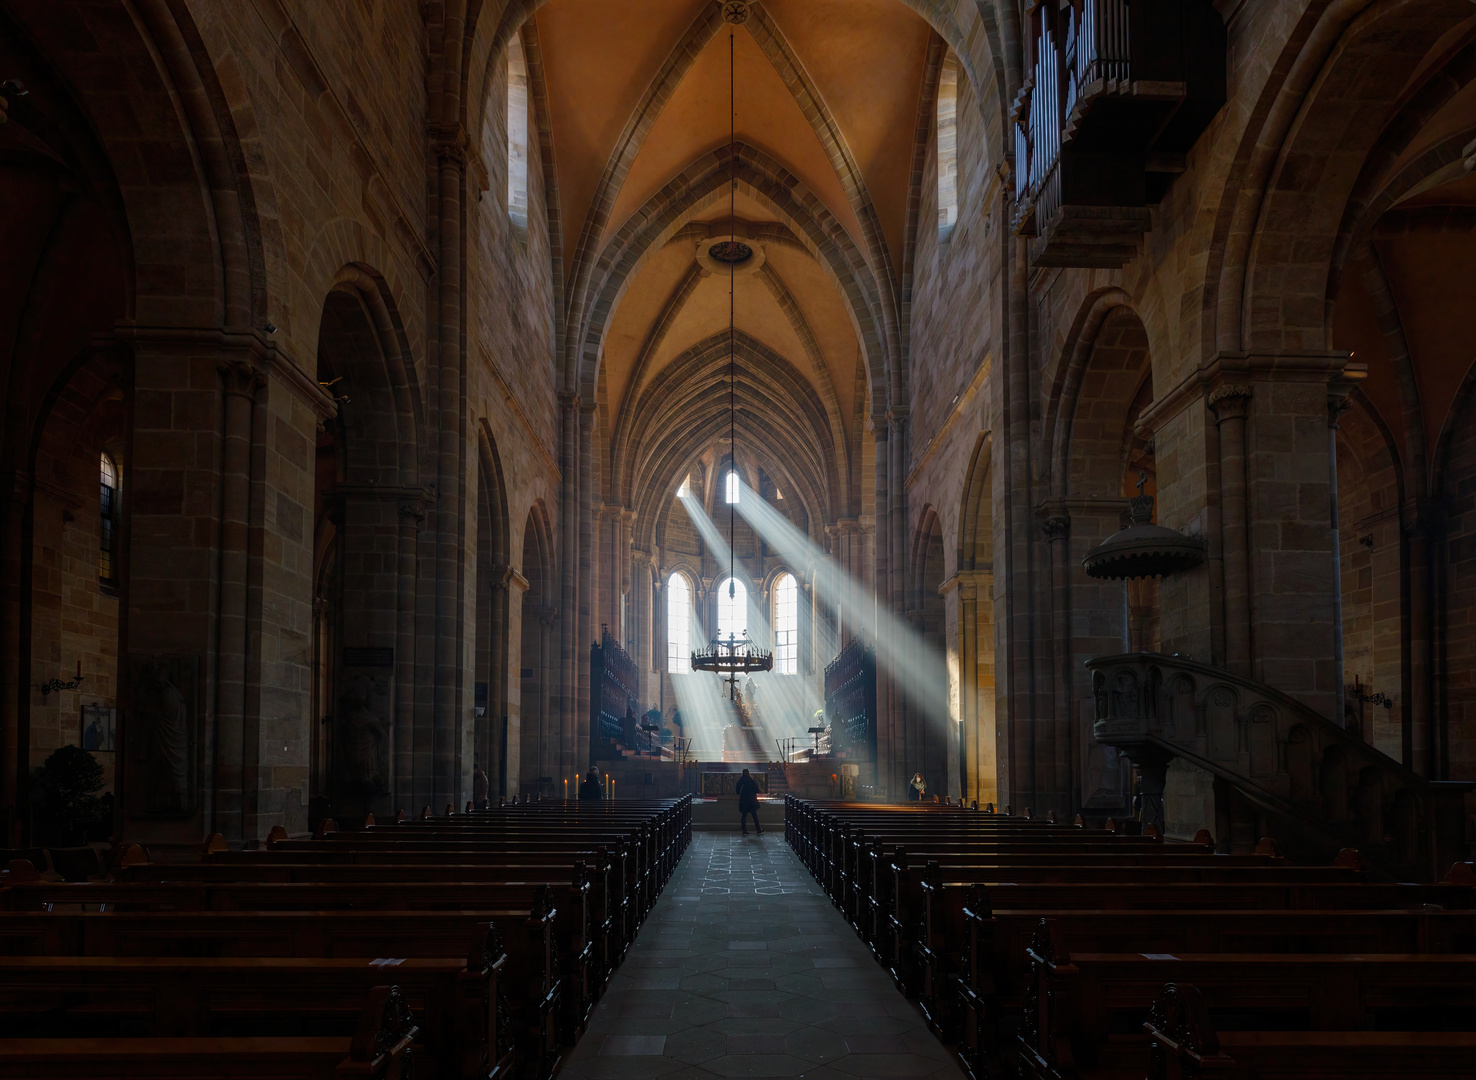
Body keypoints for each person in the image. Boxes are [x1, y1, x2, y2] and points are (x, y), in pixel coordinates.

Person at [735, 768, 762, 835]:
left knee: (743, 816)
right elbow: (757, 790)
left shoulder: (740, 781)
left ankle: (744, 831)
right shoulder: (751, 781)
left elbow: (737, 791)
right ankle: (758, 830)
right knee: (755, 816)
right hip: (751, 800)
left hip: (743, 801)